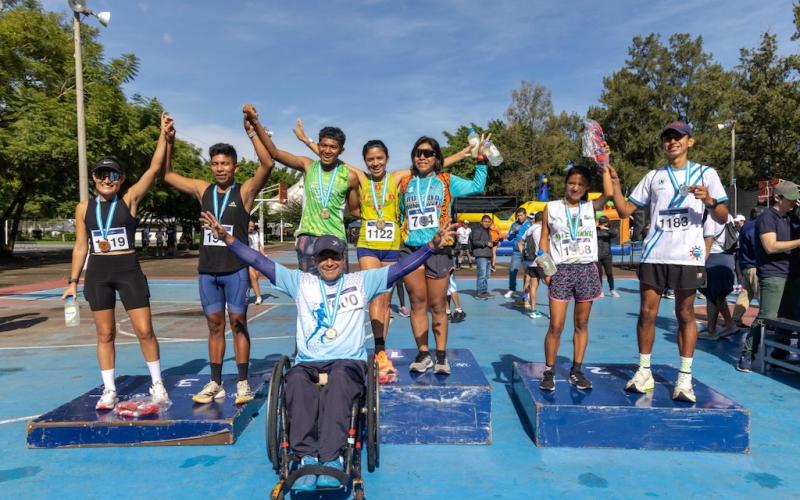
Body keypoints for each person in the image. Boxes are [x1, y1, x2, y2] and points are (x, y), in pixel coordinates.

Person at [199, 211, 455, 491]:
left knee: (341, 381)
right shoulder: (300, 282)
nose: (329, 262)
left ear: (344, 260)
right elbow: (259, 261)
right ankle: (307, 455)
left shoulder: (362, 282)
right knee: (295, 381)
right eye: (323, 257)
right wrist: (228, 239)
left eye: (334, 257)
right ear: (316, 261)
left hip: (347, 362)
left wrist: (430, 248)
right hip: (309, 362)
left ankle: (332, 458)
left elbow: (400, 269)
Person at [293, 129, 472, 379]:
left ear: (387, 159)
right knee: (374, 295)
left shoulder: (399, 176)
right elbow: (330, 156)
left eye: (379, 158)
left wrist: (464, 153)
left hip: (392, 245)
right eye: (370, 159)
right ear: (365, 161)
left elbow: (432, 164)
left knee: (386, 300)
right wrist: (308, 142)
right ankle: (379, 349)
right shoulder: (360, 178)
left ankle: (384, 351)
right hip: (368, 244)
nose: (375, 163)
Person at [609, 121, 730, 402]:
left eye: (678, 137)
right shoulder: (653, 176)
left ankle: (684, 379)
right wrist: (615, 184)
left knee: (685, 314)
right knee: (647, 313)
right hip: (654, 254)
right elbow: (625, 210)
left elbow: (723, 215)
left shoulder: (706, 173)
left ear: (690, 141)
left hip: (688, 256)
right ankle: (644, 371)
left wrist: (710, 200)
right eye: (667, 138)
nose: (672, 142)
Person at [163, 105, 274, 404]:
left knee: (238, 323)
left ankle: (241, 382)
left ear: (236, 167)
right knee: (214, 326)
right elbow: (168, 174)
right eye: (215, 164)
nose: (220, 168)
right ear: (211, 167)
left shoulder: (246, 192)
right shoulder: (203, 190)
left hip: (236, 270)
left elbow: (267, 164)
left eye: (226, 163)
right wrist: (168, 140)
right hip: (208, 271)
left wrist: (252, 131)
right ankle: (215, 382)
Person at [61, 113, 173, 410]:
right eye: (101, 174)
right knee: (105, 333)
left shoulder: (130, 199)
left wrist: (163, 135)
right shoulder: (83, 207)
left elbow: (154, 168)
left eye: (113, 175)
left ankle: (158, 384)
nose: (106, 179)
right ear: (94, 178)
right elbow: (80, 246)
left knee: (144, 330)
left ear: (121, 179)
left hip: (128, 270)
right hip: (98, 273)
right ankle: (109, 389)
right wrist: (72, 282)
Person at [400, 136, 488, 374]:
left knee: (438, 304)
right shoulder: (405, 182)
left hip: (439, 249)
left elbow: (477, 186)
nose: (422, 157)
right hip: (412, 249)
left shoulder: (446, 180)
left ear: (436, 158)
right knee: (417, 303)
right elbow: (400, 214)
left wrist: (481, 159)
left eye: (428, 153)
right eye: (418, 152)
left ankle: (441, 355)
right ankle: (423, 353)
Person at [538, 165, 612, 391]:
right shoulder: (551, 208)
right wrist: (546, 269)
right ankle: (549, 370)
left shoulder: (590, 207)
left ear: (587, 187)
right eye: (572, 183)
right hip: (561, 270)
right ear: (566, 183)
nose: (575, 187)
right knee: (556, 325)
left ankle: (577, 370)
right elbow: (544, 240)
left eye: (580, 184)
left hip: (587, 270)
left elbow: (609, 193)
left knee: (581, 323)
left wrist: (604, 163)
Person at [737, 181, 800, 371]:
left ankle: (780, 352)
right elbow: (770, 246)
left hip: (793, 274)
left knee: (788, 317)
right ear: (777, 198)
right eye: (790, 200)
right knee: (767, 315)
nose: (793, 203)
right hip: (774, 273)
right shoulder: (767, 217)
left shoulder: (792, 217)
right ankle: (748, 353)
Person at [698, 213, 738, 339]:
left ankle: (713, 329)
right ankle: (726, 324)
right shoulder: (728, 216)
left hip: (714, 258)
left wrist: (700, 263)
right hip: (727, 257)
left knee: (711, 295)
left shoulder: (711, 217)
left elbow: (708, 242)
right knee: (718, 295)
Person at [732, 206, 765, 327]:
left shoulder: (745, 227)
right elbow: (757, 246)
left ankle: (735, 319)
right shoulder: (756, 227)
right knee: (762, 296)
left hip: (746, 265)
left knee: (745, 294)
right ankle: (764, 323)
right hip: (755, 266)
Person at [521, 211, 545, 318]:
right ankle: (553, 311)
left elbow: (520, 242)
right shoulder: (542, 229)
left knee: (533, 287)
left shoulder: (529, 229)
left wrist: (524, 255)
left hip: (531, 262)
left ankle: (533, 310)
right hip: (541, 261)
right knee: (551, 285)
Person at [505, 208, 531, 298]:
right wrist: (513, 232)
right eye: (518, 215)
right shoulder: (514, 224)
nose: (519, 217)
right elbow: (508, 238)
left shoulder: (530, 224)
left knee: (528, 273)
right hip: (516, 252)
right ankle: (512, 289)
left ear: (525, 215)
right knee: (512, 270)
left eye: (521, 215)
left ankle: (526, 292)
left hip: (527, 252)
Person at [470, 215, 495, 299]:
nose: (487, 223)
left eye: (489, 222)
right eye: (485, 221)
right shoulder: (478, 230)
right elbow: (474, 242)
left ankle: (484, 291)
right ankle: (480, 292)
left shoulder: (487, 231)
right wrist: (486, 243)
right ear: (481, 222)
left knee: (486, 275)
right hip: (481, 255)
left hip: (487, 255)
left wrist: (493, 243)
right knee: (482, 274)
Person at [596, 215, 619, 297]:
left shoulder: (610, 229)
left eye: (604, 223)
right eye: (602, 223)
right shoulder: (595, 230)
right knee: (599, 274)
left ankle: (612, 290)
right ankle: (600, 291)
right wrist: (597, 227)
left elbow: (615, 234)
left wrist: (606, 229)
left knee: (609, 273)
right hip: (597, 256)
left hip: (607, 255)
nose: (603, 224)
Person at [248, 221, 264, 305]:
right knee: (253, 277)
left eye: (253, 226)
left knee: (256, 277)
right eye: (250, 226)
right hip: (248, 258)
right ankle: (258, 297)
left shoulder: (255, 233)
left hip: (257, 258)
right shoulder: (242, 234)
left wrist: (264, 255)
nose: (251, 228)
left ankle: (247, 287)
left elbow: (259, 245)